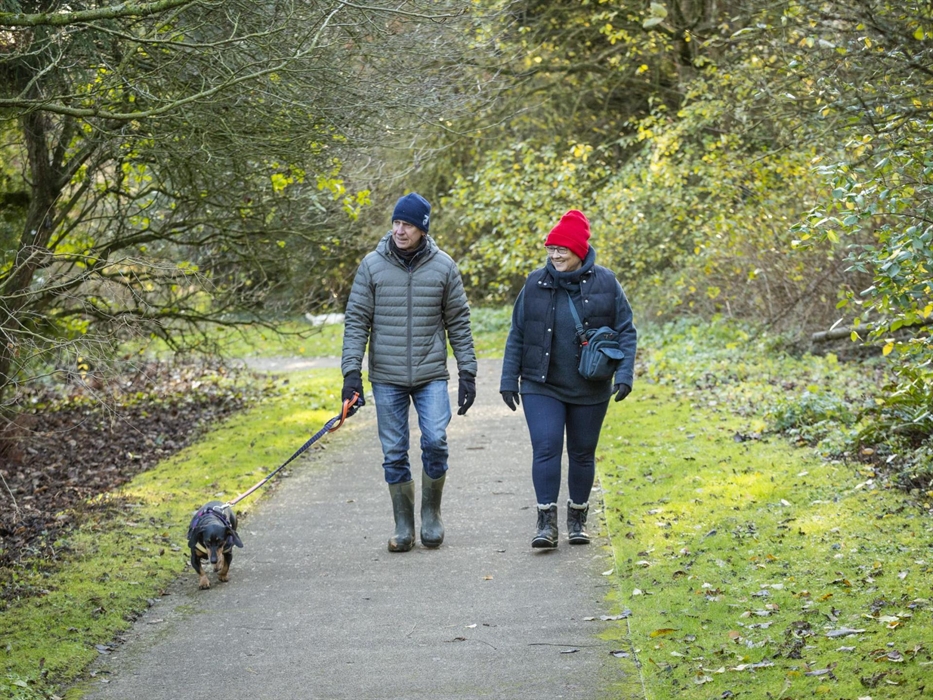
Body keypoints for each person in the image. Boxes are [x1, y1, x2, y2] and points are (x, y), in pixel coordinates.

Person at [341, 192, 477, 552]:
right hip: (386, 376)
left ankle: (431, 516)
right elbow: (356, 321)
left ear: (423, 229)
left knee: (435, 440)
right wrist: (351, 373)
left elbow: (459, 322)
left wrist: (468, 371)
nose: (400, 230)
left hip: (431, 372)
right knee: (394, 451)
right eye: (396, 223)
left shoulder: (444, 267)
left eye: (409, 225)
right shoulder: (371, 266)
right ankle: (404, 526)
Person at [499, 209, 637, 549]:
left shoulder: (606, 282)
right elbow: (518, 331)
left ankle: (578, 518)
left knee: (582, 453)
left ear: (578, 250)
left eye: (561, 249)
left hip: (590, 385)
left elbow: (626, 330)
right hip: (540, 383)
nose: (555, 255)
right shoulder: (535, 282)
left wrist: (625, 374)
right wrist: (507, 378)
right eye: (551, 249)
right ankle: (545, 523)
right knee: (546, 447)